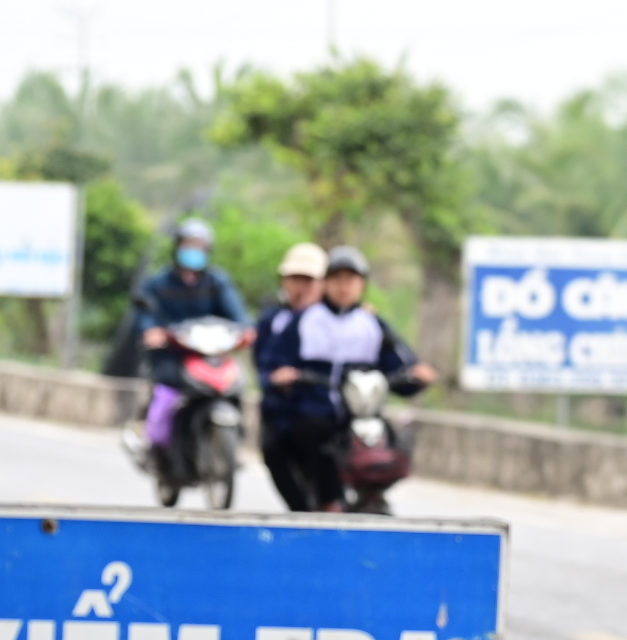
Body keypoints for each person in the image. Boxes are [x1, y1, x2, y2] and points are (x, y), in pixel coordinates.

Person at [286, 246, 438, 507]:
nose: (344, 286)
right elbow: (279, 361)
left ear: (362, 284)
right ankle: (330, 501)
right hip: (317, 408)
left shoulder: (371, 323)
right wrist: (286, 377)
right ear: (325, 283)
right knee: (316, 437)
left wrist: (417, 376)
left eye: (351, 279)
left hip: (361, 411)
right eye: (337, 279)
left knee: (391, 439)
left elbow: (399, 363)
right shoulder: (306, 320)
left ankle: (373, 494)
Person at [131, 218, 252, 456]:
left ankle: (237, 442)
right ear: (177, 247)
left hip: (209, 354)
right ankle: (154, 443)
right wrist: (152, 331)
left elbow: (238, 314)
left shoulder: (217, 282)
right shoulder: (158, 283)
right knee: (167, 388)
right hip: (173, 355)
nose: (194, 251)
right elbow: (145, 314)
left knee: (235, 384)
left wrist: (246, 329)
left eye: (199, 246)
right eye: (189, 245)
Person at [256, 242, 330, 511]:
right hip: (286, 409)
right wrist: (277, 379)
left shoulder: (341, 318)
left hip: (329, 407)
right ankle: (303, 513)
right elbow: (263, 365)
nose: (302, 287)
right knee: (274, 448)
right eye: (296, 279)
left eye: (309, 280)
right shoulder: (275, 321)